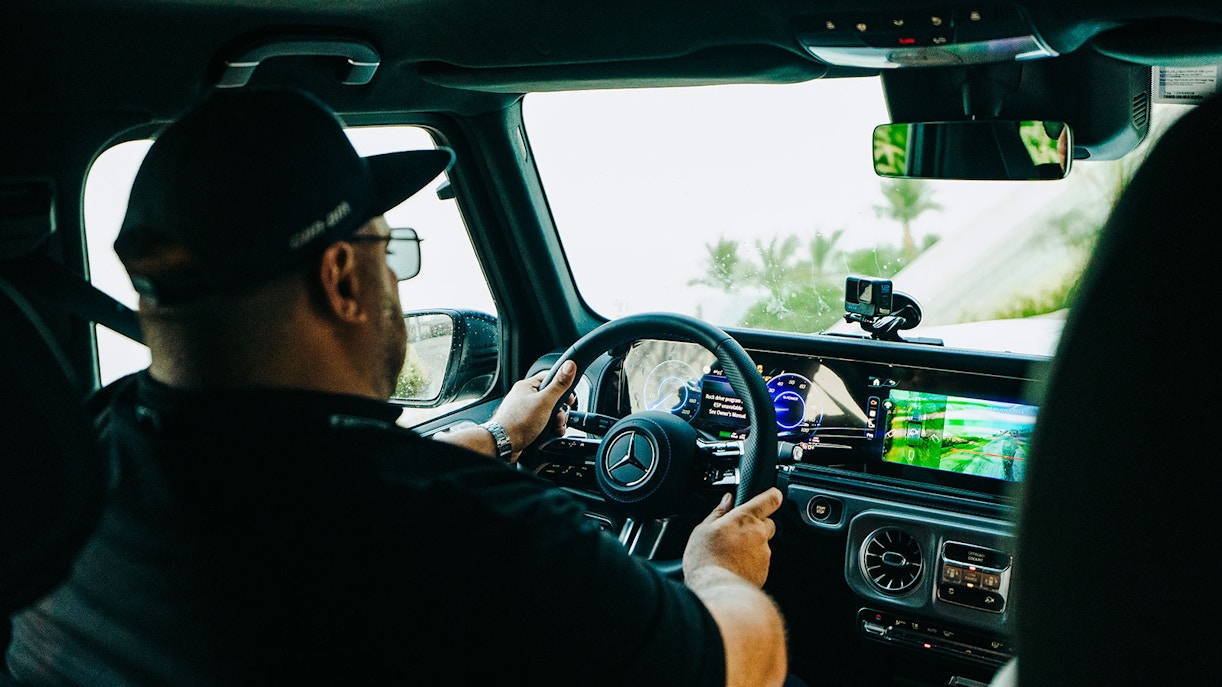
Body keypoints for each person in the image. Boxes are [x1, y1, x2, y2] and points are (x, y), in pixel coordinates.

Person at [5, 87, 789, 686]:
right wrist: (714, 569)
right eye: (388, 249)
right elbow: (744, 661)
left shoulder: (83, 457)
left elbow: (317, 486)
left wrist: (503, 436)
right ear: (343, 276)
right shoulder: (484, 538)